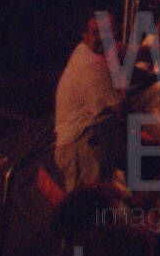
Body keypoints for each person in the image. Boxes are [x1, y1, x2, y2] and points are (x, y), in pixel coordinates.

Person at [55, 12, 135, 191]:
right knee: (90, 198)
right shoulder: (91, 65)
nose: (103, 37)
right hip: (80, 145)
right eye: (96, 32)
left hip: (92, 137)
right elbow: (121, 110)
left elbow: (133, 53)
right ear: (85, 36)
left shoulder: (104, 48)